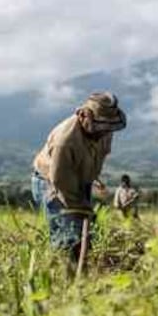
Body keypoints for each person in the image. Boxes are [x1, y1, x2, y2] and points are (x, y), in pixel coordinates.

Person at [32, 92, 127, 261]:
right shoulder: (65, 141)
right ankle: (64, 273)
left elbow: (96, 155)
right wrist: (82, 209)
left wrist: (93, 177)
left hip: (79, 179)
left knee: (87, 229)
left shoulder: (104, 131)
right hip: (51, 182)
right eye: (99, 125)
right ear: (83, 116)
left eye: (107, 127)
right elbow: (61, 182)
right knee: (68, 231)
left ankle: (84, 268)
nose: (103, 131)